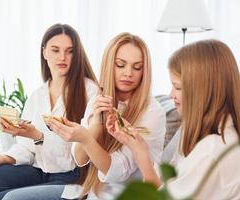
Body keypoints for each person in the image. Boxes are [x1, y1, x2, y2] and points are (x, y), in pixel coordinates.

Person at [27, 32, 165, 200]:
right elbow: (79, 158)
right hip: (90, 191)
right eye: (121, 65)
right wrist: (95, 127)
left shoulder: (152, 112)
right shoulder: (98, 99)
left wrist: (86, 139)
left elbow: (116, 172)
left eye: (137, 67)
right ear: (109, 65)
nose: (128, 73)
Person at [0, 23, 99, 200]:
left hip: (73, 177)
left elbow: (75, 156)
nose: (63, 57)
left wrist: (38, 136)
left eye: (70, 51)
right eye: (55, 50)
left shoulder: (90, 92)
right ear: (44, 52)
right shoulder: (37, 96)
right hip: (40, 170)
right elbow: (26, 147)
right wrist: (4, 158)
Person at [106, 39, 240, 199]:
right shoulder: (196, 132)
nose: (170, 95)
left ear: (202, 92)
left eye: (177, 87)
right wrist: (138, 149)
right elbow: (165, 189)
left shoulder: (211, 150)